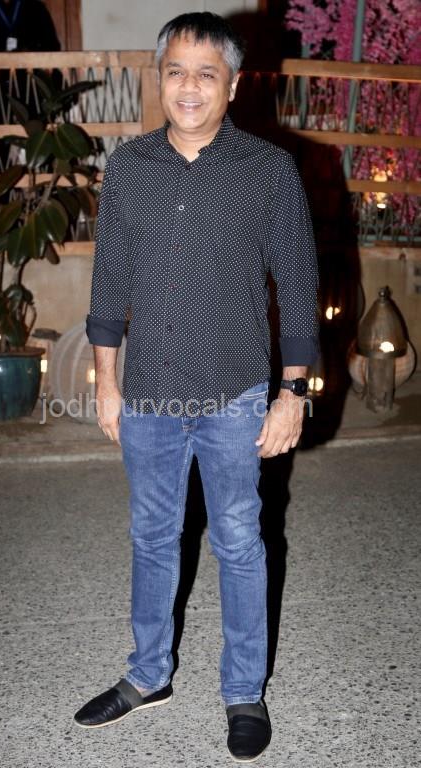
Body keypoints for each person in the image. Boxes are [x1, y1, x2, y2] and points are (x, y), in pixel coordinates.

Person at [75, 12, 319, 763]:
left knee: (240, 540)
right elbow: (109, 283)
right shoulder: (129, 167)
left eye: (206, 73)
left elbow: (298, 285)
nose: (189, 87)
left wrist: (294, 392)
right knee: (152, 536)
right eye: (175, 71)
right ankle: (148, 675)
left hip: (234, 390)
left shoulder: (269, 170)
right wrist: (106, 384)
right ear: (161, 78)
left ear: (233, 84)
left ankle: (244, 691)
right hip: (149, 388)